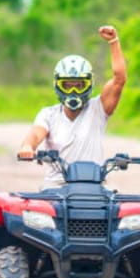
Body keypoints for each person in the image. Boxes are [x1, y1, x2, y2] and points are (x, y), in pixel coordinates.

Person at [17, 25, 126, 188]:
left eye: (79, 85)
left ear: (89, 85)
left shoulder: (98, 109)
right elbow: (36, 134)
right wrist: (28, 146)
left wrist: (114, 41)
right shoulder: (48, 114)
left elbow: (119, 80)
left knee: (115, 210)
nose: (74, 91)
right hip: (55, 186)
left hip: (94, 185)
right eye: (68, 85)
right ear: (58, 85)